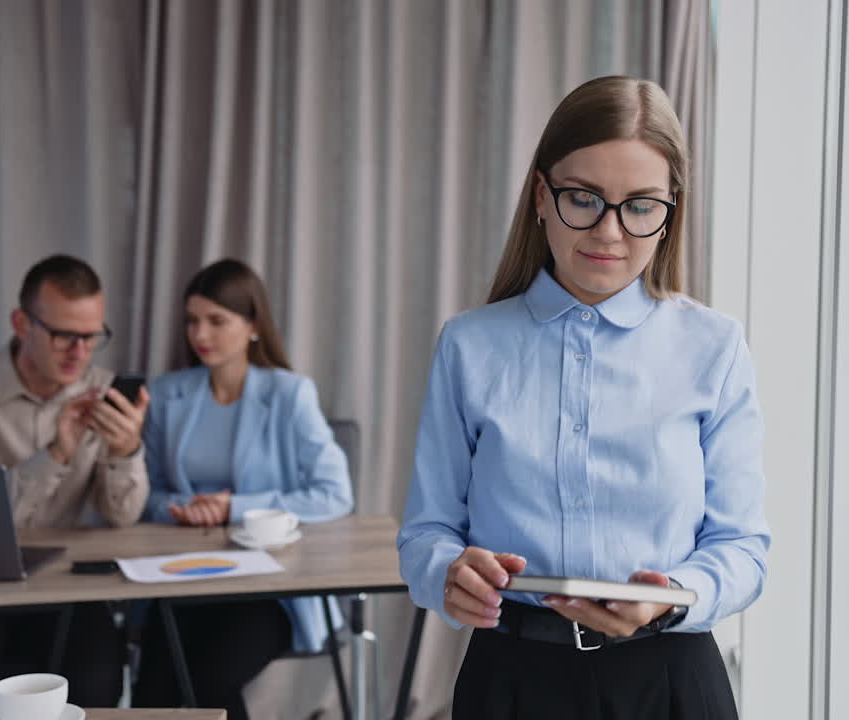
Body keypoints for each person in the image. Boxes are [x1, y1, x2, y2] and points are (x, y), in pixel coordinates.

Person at [397, 76, 770, 720]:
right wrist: (447, 574)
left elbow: (743, 549)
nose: (609, 231)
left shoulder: (715, 347)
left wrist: (674, 593)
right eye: (584, 198)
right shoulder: (468, 346)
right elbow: (427, 531)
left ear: (669, 212)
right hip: (510, 681)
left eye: (641, 205)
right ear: (542, 196)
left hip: (671, 683)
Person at [0, 254, 149, 707]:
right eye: (64, 336)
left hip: (65, 586)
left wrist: (126, 451)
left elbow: (120, 518)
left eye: (91, 337)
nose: (79, 353)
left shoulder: (103, 390)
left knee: (99, 678)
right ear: (22, 324)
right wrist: (57, 453)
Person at [133, 258, 354, 720]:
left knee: (209, 680)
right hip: (181, 575)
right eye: (193, 321)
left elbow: (334, 494)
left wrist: (233, 507)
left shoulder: (290, 394)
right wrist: (183, 509)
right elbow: (144, 495)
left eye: (217, 321)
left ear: (252, 325)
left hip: (269, 586)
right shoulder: (167, 394)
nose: (201, 335)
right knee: (152, 687)